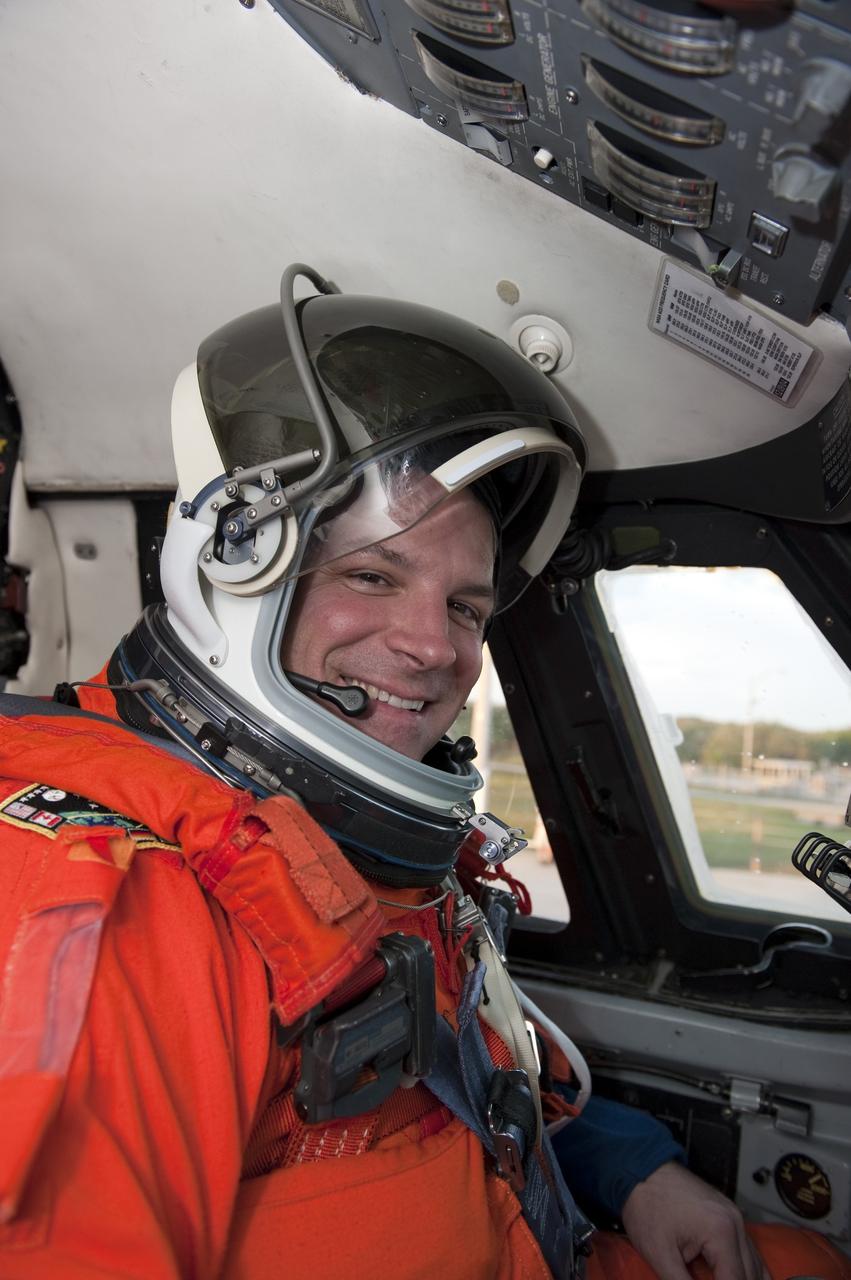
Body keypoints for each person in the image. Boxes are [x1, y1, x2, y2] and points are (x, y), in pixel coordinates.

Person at [0, 266, 846, 1280]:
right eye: (371, 574)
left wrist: (629, 1168)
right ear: (228, 569)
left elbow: (463, 1067)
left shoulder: (338, 837)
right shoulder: (116, 896)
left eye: (464, 606)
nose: (433, 647)